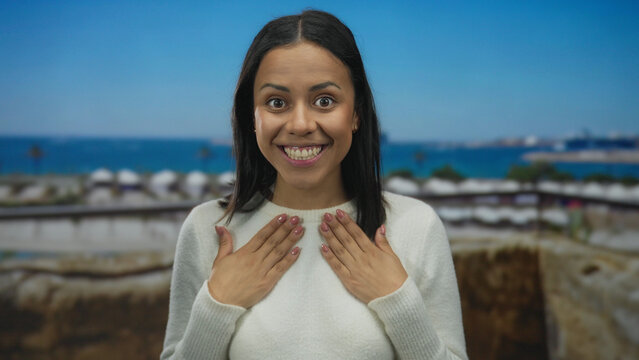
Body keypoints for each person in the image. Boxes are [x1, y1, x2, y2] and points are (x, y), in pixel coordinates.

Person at [160, 9, 467, 360]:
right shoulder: (207, 230)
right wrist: (217, 305)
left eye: (325, 101)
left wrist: (398, 300)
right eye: (277, 102)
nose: (301, 124)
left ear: (356, 113)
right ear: (252, 116)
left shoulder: (416, 226)